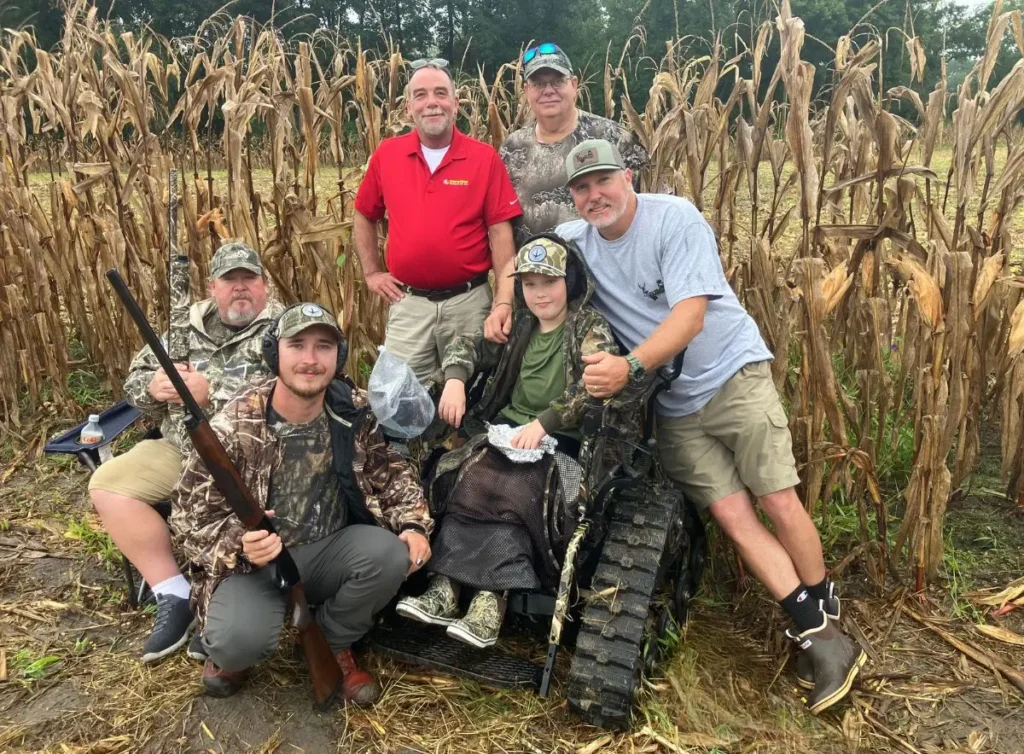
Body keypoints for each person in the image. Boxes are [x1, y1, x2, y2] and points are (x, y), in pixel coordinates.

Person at [555, 139, 866, 716]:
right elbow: (525, 264)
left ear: (628, 177)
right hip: (673, 405)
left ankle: (830, 625)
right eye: (581, 188)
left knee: (778, 499)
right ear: (572, 197)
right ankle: (820, 637)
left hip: (730, 375)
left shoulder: (675, 219)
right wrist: (503, 304)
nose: (594, 196)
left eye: (603, 181)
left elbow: (690, 315)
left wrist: (627, 367)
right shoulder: (576, 242)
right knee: (731, 513)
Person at [171, 303, 433, 703]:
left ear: (338, 357)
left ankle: (329, 641)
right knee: (237, 641)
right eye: (297, 345)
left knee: (388, 555)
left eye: (323, 347)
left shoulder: (353, 409)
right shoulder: (233, 425)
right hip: (255, 566)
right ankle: (232, 650)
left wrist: (413, 525)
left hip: (330, 550)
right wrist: (240, 543)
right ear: (275, 352)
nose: (310, 360)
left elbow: (391, 470)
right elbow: (188, 520)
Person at [395, 234, 628, 648]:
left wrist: (546, 422)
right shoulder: (517, 326)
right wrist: (455, 378)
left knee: (516, 491)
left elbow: (594, 386)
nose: (539, 295)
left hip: (562, 444)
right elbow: (467, 345)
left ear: (569, 283)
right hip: (503, 432)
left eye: (549, 283)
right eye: (529, 284)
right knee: (467, 479)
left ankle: (490, 600)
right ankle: (446, 586)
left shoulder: (587, 327)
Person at [88, 243, 282, 664]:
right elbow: (135, 382)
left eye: (249, 279)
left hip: (255, 460)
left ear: (265, 285)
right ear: (214, 287)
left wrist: (212, 395)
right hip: (180, 450)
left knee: (245, 514)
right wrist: (153, 388)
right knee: (108, 485)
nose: (240, 288)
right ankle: (173, 593)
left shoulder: (284, 330)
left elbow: (295, 394)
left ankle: (216, 602)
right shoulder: (183, 328)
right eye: (230, 281)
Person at [353, 59, 523, 380]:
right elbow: (364, 215)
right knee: (401, 400)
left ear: (456, 104)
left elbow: (501, 236)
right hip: (408, 304)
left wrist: (502, 302)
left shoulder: (483, 158)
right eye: (421, 95)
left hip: (469, 304)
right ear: (408, 107)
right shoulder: (387, 155)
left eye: (441, 93)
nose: (431, 102)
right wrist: (372, 272)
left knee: (470, 396)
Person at [500, 42, 648, 246]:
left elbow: (648, 212)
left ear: (574, 84)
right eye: (538, 83)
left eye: (558, 81)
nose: (548, 90)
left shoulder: (613, 138)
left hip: (601, 275)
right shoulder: (511, 148)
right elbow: (501, 222)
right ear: (526, 90)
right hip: (532, 274)